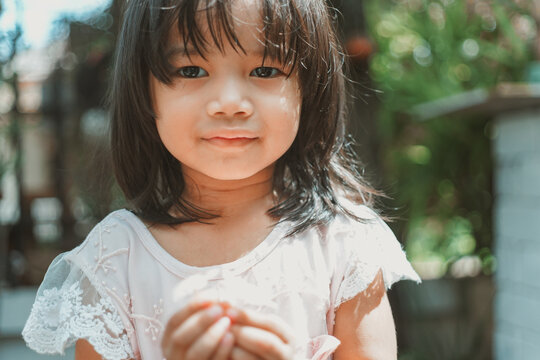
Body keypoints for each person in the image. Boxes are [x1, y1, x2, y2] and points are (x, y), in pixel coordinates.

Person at [22, 0, 421, 359]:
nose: (229, 101)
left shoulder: (342, 243)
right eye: (192, 70)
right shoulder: (115, 259)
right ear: (144, 92)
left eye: (265, 69)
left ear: (309, 88)